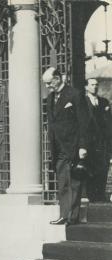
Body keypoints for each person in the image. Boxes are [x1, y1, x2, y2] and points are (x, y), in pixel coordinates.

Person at [43, 67, 89, 226]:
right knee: (62, 183)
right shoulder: (50, 98)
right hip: (58, 148)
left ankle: (72, 217)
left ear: (57, 78)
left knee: (75, 181)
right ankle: (64, 215)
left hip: (74, 145)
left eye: (49, 83)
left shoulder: (74, 95)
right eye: (46, 84)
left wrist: (83, 146)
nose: (48, 87)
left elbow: (84, 122)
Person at [84, 78, 112, 202]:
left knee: (103, 168)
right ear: (86, 87)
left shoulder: (104, 102)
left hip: (103, 142)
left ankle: (100, 195)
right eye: (92, 85)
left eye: (96, 85)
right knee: (90, 168)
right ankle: (90, 195)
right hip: (89, 142)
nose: (95, 87)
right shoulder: (82, 102)